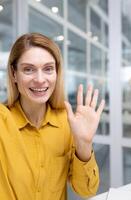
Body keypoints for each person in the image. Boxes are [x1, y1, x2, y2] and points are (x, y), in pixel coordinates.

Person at [0, 33, 105, 200]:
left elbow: (86, 190)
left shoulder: (67, 122)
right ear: (14, 74)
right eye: (28, 69)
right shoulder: (2, 121)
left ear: (57, 72)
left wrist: (84, 144)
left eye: (48, 69)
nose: (40, 79)